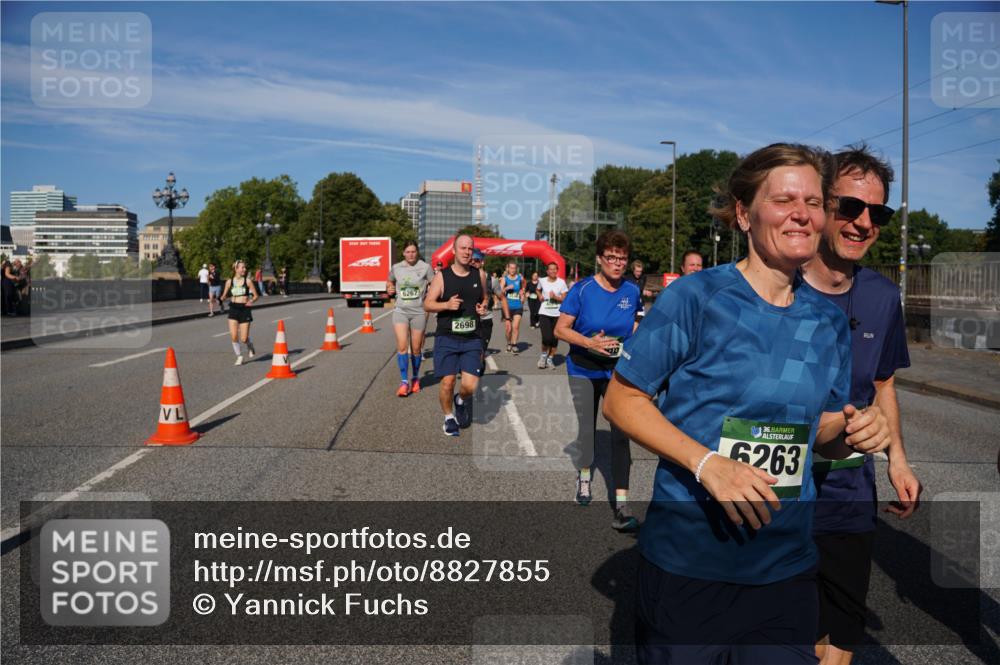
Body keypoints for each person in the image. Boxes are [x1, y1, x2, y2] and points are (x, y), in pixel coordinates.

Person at [602, 143, 892, 664]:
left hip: (786, 569)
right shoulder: (697, 298)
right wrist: (707, 464)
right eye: (783, 200)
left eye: (813, 202)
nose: (801, 214)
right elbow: (622, 401)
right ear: (743, 214)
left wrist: (855, 430)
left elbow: (820, 433)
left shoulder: (828, 321)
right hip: (691, 564)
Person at [801, 146, 920, 665]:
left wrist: (898, 459)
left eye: (878, 213)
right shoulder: (776, 285)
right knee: (787, 628)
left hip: (849, 493)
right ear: (822, 205)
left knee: (841, 632)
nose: (863, 222)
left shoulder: (883, 296)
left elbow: (883, 382)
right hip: (776, 492)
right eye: (850, 207)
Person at [555, 229, 643, 531]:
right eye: (611, 258)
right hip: (583, 368)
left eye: (622, 258)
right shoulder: (582, 290)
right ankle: (584, 476)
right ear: (599, 259)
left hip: (616, 370)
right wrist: (588, 342)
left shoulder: (631, 291)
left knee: (621, 432)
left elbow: (635, 326)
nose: (617, 263)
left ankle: (622, 503)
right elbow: (560, 329)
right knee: (587, 428)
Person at [424, 234, 489, 437]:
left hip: (472, 337)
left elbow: (485, 297)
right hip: (447, 337)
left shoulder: (479, 274)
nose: (467, 252)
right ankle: (449, 417)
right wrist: (446, 304)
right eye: (463, 248)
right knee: (448, 382)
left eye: (470, 249)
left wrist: (484, 306)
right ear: (453, 250)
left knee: (470, 385)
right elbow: (427, 304)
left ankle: (460, 400)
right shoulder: (442, 276)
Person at [387, 242, 435, 396]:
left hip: (418, 312)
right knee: (402, 346)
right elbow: (389, 281)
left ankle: (415, 378)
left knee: (416, 348)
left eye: (413, 251)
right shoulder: (396, 267)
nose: (411, 254)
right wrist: (389, 288)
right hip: (400, 311)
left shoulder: (425, 267)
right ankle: (404, 382)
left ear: (417, 252)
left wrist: (431, 298)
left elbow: (435, 284)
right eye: (408, 252)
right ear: (403, 253)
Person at [470, 249, 508, 375]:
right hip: (467, 320)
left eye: (476, 260)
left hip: (485, 320)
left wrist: (507, 318)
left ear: (482, 262)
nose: (473, 262)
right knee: (469, 351)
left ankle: (478, 370)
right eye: (471, 260)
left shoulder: (492, 281)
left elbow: (502, 298)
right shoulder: (462, 278)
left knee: (480, 350)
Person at [220, 260, 260, 366]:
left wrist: (251, 301)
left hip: (244, 309)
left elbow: (256, 296)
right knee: (233, 336)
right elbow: (224, 295)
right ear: (236, 269)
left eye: (245, 267)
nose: (244, 269)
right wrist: (222, 298)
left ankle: (249, 345)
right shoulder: (229, 282)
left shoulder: (248, 281)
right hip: (233, 308)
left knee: (244, 338)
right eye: (242, 267)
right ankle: (239, 356)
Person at [537, 262, 568, 369]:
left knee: (554, 339)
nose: (553, 271)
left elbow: (565, 299)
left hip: (557, 314)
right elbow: (537, 289)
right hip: (544, 312)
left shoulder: (561, 282)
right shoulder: (542, 280)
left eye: (555, 269)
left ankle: (550, 359)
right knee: (546, 338)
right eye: (551, 269)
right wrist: (540, 295)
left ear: (557, 271)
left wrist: (555, 298)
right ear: (547, 271)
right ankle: (543, 357)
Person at [501, 261, 525, 354]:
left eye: (514, 268)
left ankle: (514, 345)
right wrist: (506, 288)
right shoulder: (504, 279)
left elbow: (523, 288)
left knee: (515, 327)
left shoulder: (520, 278)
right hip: (507, 307)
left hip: (518, 306)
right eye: (511, 268)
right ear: (508, 268)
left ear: (516, 269)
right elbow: (499, 292)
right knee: (508, 329)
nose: (512, 270)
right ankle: (509, 343)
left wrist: (522, 293)